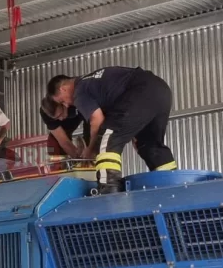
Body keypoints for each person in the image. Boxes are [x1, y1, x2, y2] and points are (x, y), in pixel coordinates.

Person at [45, 66, 176, 194]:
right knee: (149, 145)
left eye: (62, 101)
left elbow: (97, 120)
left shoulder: (80, 91)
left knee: (106, 141)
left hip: (140, 91)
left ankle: (109, 192)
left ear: (63, 89)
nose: (66, 105)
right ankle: (171, 187)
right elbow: (125, 110)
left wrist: (90, 150)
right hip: (160, 90)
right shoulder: (92, 82)